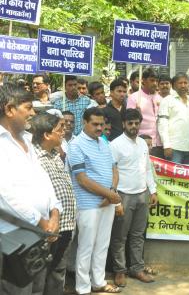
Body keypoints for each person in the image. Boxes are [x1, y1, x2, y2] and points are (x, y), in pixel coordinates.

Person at [0, 84, 61, 295]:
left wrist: (54, 211)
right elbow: (4, 195)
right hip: (14, 238)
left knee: (37, 290)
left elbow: (42, 178)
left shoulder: (27, 139)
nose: (33, 113)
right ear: (9, 109)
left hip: (40, 235)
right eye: (28, 107)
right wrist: (42, 222)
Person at [67, 107, 122, 295]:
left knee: (102, 244)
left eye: (102, 124)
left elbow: (114, 169)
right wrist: (109, 195)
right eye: (95, 124)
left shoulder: (104, 142)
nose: (99, 128)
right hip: (88, 204)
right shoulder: (76, 145)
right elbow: (82, 179)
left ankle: (98, 282)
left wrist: (112, 192)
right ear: (84, 123)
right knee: (86, 247)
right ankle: (82, 288)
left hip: (107, 201)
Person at [110, 108, 158, 287]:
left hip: (141, 194)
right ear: (123, 124)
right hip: (123, 195)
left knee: (138, 235)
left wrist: (152, 191)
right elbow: (111, 174)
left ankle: (137, 268)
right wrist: (116, 200)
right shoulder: (115, 145)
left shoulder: (142, 144)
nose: (134, 126)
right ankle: (119, 271)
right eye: (130, 123)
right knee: (120, 237)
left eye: (136, 123)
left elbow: (147, 169)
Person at [31, 113, 76, 295]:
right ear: (47, 134)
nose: (63, 132)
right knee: (39, 275)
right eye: (60, 129)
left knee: (58, 271)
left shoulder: (55, 155)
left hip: (64, 225)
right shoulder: (33, 158)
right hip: (46, 227)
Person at [158, 72, 189, 164]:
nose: (183, 85)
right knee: (173, 178)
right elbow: (162, 124)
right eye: (180, 83)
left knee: (188, 177)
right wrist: (166, 145)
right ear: (173, 86)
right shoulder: (167, 100)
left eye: (185, 83)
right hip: (174, 147)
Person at [127, 68, 163, 158]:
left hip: (159, 143)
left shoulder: (160, 98)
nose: (155, 83)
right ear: (143, 80)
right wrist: (137, 114)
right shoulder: (134, 98)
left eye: (156, 81)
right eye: (151, 80)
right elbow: (129, 120)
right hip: (142, 142)